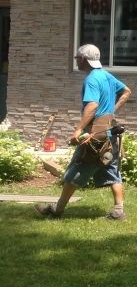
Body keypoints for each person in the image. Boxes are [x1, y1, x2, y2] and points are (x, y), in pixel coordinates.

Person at [36, 44, 132, 220]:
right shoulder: (106, 76)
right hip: (110, 133)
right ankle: (119, 210)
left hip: (94, 136)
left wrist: (79, 129)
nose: (76, 61)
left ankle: (57, 210)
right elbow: (126, 91)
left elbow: (93, 105)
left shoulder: (92, 79)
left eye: (77, 58)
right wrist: (112, 110)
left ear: (83, 59)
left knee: (75, 172)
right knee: (111, 169)